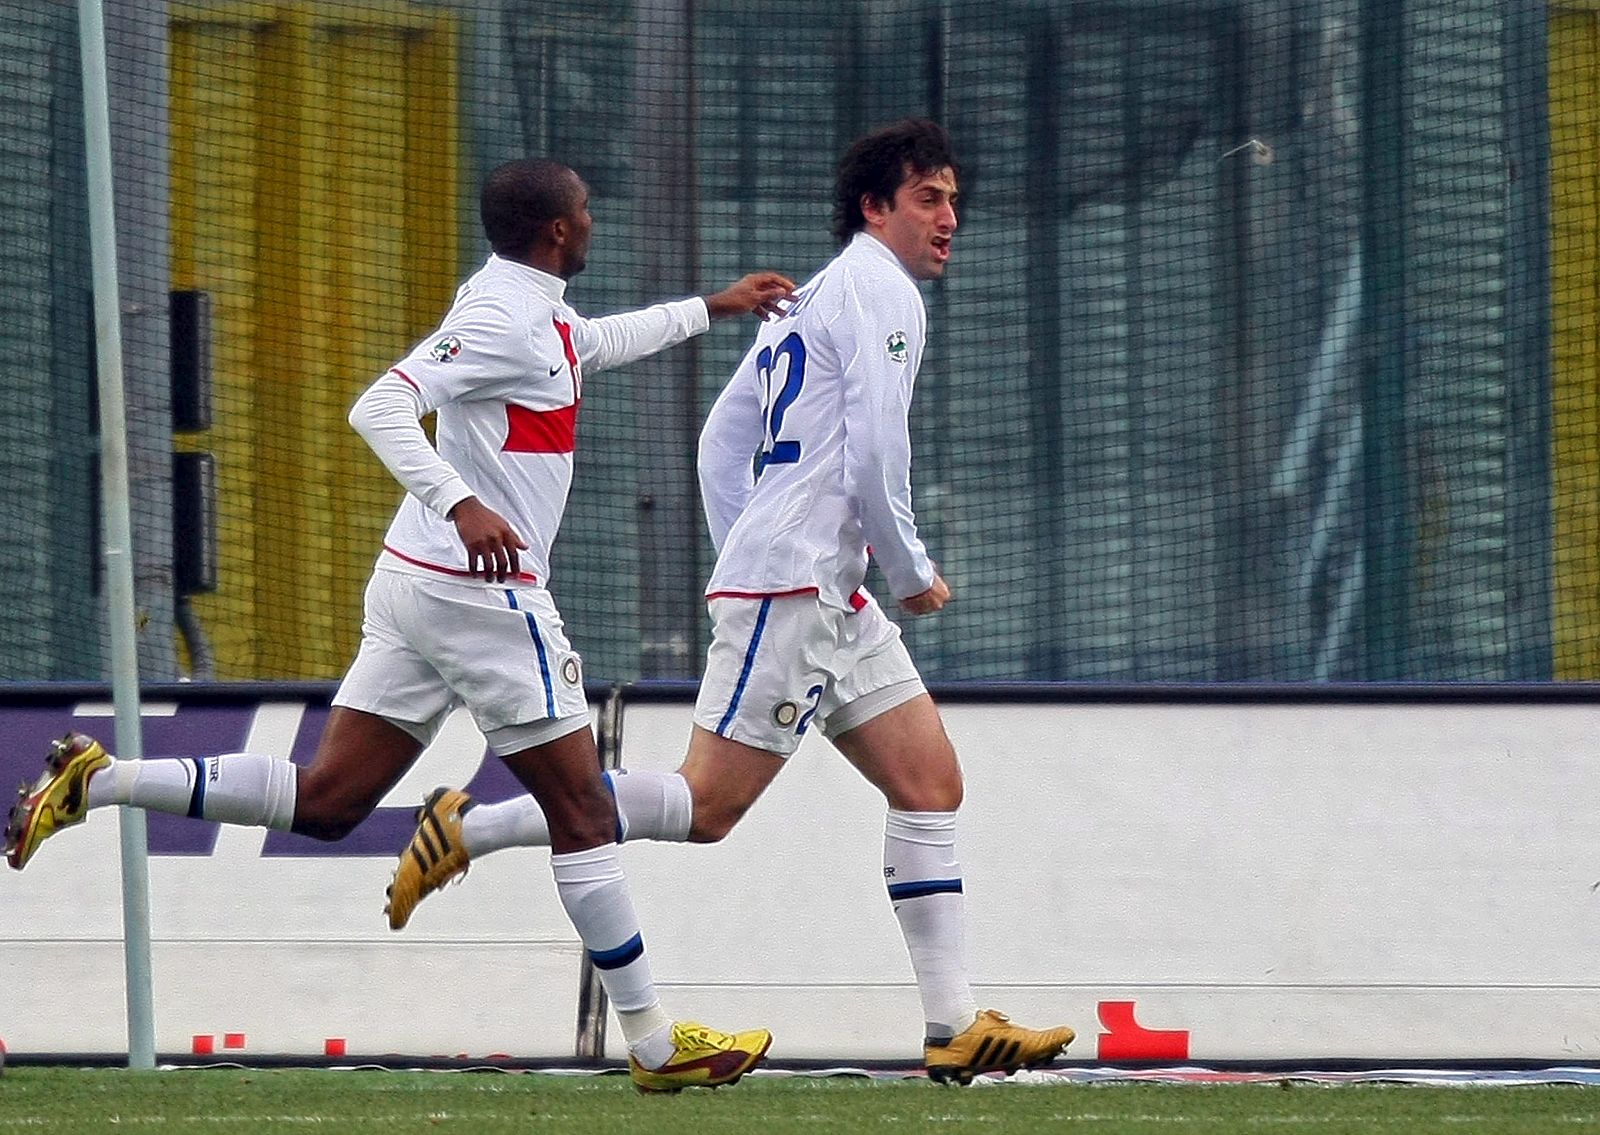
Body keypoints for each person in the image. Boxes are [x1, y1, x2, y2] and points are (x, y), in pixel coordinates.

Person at [4, 157, 796, 1094]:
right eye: (585, 210)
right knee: (582, 811)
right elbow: (377, 405)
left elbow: (592, 343)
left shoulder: (534, 307)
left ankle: (99, 780)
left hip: (415, 584)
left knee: (333, 799)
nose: (593, 221)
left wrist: (718, 303)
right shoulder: (502, 314)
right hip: (480, 593)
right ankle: (658, 1044)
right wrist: (462, 501)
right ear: (557, 231)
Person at [385, 120, 1076, 1085]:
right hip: (799, 587)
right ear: (875, 208)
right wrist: (903, 568)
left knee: (930, 783)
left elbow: (723, 435)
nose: (949, 217)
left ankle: (954, 1024)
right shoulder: (879, 290)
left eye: (954, 199)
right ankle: (478, 825)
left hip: (816, 585)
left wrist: (750, 546)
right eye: (929, 198)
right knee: (708, 808)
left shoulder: (817, 292)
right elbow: (877, 451)